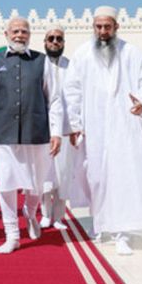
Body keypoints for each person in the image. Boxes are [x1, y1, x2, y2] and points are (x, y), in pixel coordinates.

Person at [64, 6, 142, 255]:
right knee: (95, 177)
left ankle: (122, 233)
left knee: (123, 177)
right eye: (98, 27)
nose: (103, 31)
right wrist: (74, 124)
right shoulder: (83, 54)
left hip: (123, 126)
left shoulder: (132, 53)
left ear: (116, 27)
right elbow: (72, 90)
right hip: (92, 127)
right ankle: (100, 223)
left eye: (107, 26)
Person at [0, 17, 63, 254]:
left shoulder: (41, 61)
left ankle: (31, 212)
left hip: (36, 133)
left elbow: (54, 99)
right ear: (6, 34)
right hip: (3, 135)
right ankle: (12, 234)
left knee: (36, 182)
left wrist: (56, 132)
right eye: (15, 31)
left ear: (30, 35)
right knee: (5, 183)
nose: (19, 35)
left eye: (24, 31)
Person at [39, 27, 88, 230]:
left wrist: (78, 127)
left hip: (67, 130)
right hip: (44, 130)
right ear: (45, 42)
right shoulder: (39, 66)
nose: (55, 41)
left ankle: (58, 217)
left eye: (59, 39)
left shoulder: (72, 67)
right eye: (51, 38)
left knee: (64, 175)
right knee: (45, 175)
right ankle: (44, 214)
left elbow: (80, 98)